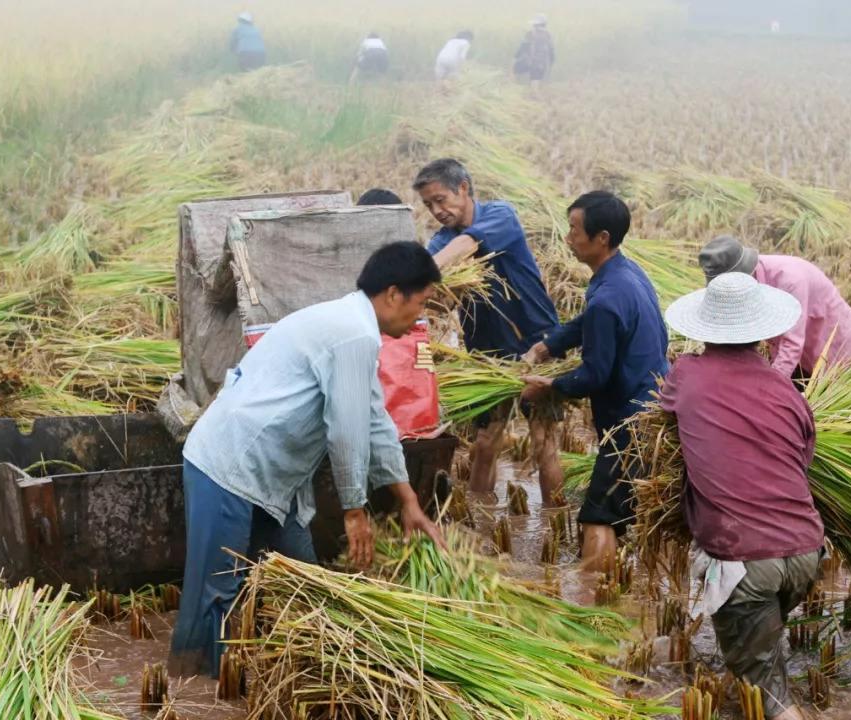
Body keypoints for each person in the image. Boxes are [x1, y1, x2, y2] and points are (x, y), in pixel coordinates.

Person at [168, 242, 446, 678]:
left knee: (304, 581)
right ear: (394, 294)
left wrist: (409, 501)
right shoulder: (351, 331)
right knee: (217, 590)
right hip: (230, 466)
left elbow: (374, 421)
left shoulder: (354, 329)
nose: (420, 316)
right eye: (422, 302)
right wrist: (354, 510)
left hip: (272, 480)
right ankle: (197, 691)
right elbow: (347, 430)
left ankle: (295, 678)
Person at [659, 272, 823, 720]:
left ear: (704, 327)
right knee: (764, 657)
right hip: (805, 550)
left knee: (769, 699)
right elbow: (801, 461)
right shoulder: (787, 391)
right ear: (764, 332)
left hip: (742, 560)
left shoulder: (686, 374)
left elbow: (663, 414)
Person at [521, 191, 668, 571]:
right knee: (615, 513)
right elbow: (588, 324)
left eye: (574, 229)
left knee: (597, 518)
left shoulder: (606, 298)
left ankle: (595, 610)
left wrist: (550, 386)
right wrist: (549, 346)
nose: (568, 237)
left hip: (629, 426)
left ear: (601, 237)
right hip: (651, 408)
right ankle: (619, 596)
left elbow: (594, 375)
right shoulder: (626, 273)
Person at [414, 159, 564, 505]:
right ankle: (480, 520)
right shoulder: (439, 243)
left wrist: (422, 273)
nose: (437, 211)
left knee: (544, 443)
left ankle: (556, 524)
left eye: (441, 199)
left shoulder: (500, 216)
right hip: (486, 353)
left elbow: (467, 246)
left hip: (536, 343)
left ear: (463, 188)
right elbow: (436, 302)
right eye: (428, 205)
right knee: (485, 443)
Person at [698, 235, 851, 381]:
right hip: (801, 356)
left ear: (744, 273)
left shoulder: (790, 280)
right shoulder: (748, 283)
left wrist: (770, 387)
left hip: (834, 343)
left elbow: (792, 344)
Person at [513, 14, 555, 83]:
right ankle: (534, 91)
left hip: (530, 62)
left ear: (536, 25)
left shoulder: (530, 33)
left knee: (515, 70)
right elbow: (551, 52)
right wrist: (551, 63)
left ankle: (515, 88)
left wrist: (515, 58)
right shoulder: (548, 35)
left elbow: (522, 48)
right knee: (535, 81)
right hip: (542, 64)